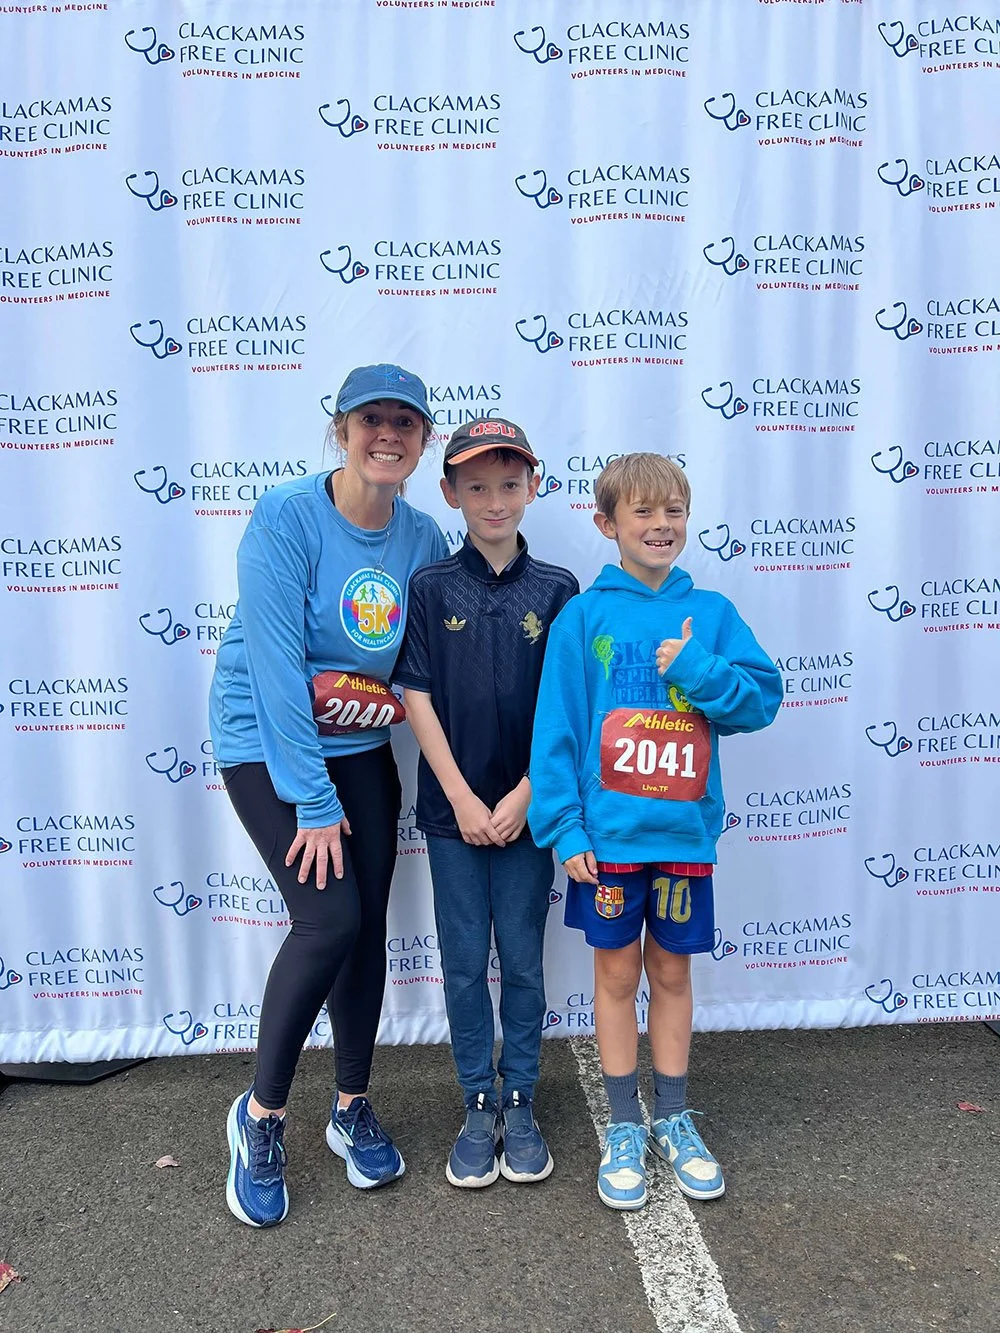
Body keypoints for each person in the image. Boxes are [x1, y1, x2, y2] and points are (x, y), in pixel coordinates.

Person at [209, 364, 448, 1227]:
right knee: (328, 918)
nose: (388, 434)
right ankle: (261, 1114)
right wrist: (312, 800)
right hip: (265, 742)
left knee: (366, 924)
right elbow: (276, 670)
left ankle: (350, 1106)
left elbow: (426, 668)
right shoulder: (286, 517)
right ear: (341, 430)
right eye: (370, 419)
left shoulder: (421, 539)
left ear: (424, 440)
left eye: (406, 423)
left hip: (360, 746)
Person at [527, 453, 782, 1210]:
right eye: (642, 511)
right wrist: (564, 827)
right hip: (608, 843)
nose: (661, 524)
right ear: (607, 525)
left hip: (681, 838)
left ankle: (673, 1113)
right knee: (614, 978)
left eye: (673, 509)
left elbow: (759, 702)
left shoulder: (713, 614)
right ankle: (625, 1124)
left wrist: (700, 669)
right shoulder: (582, 617)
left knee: (672, 974)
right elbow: (558, 730)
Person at [395, 418, 579, 1188]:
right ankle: (477, 1099)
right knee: (467, 964)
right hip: (454, 817)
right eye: (476, 486)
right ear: (450, 494)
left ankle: (522, 1097)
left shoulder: (559, 589)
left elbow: (569, 706)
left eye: (509, 484)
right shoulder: (432, 587)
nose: (493, 500)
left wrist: (526, 795)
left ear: (534, 488)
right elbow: (416, 695)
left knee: (526, 968)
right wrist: (467, 799)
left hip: (529, 817)